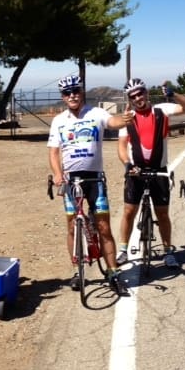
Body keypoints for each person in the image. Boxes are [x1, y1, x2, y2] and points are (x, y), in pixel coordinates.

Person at [47, 74, 133, 296]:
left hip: (95, 178)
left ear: (81, 92)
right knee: (71, 226)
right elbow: (53, 152)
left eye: (75, 91)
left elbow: (112, 122)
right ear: (63, 97)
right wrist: (57, 174)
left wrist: (124, 119)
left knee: (103, 226)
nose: (72, 95)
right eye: (67, 93)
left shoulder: (96, 113)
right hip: (70, 180)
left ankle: (113, 272)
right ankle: (77, 270)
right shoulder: (59, 121)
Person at [116, 78, 185, 268]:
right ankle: (123, 250)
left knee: (162, 213)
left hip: (158, 171)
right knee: (129, 211)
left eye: (140, 93)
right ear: (129, 99)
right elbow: (121, 147)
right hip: (135, 171)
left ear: (146, 93)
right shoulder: (127, 117)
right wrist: (127, 164)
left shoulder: (162, 110)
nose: (137, 98)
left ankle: (168, 251)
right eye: (133, 96)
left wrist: (172, 94)